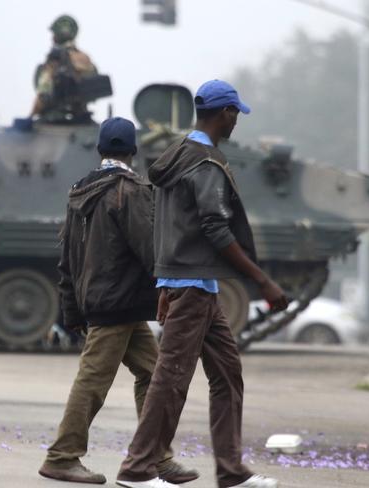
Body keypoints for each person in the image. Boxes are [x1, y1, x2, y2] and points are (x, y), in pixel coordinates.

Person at [115, 80, 289, 488]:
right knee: (171, 378)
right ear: (224, 112)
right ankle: (137, 469)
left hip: (196, 285)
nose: (236, 122)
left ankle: (230, 471)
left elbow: (168, 222)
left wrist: (163, 282)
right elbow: (213, 226)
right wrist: (262, 280)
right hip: (193, 286)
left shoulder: (177, 153)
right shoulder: (206, 163)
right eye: (235, 113)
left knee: (228, 376)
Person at [38, 117, 198, 485]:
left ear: (99, 149)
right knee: (94, 379)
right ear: (133, 150)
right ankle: (62, 456)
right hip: (119, 304)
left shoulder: (80, 189)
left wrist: (71, 306)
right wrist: (172, 288)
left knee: (155, 374)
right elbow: (150, 249)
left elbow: (68, 255)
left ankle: (156, 457)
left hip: (101, 299)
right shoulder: (130, 190)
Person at [30, 14, 98, 122]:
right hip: (82, 117)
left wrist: (32, 114)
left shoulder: (54, 60)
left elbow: (44, 90)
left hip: (53, 119)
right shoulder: (84, 58)